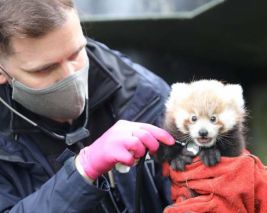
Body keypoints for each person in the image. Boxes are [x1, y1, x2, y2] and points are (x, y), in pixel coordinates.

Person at [0, 0, 175, 212]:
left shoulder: (143, 94)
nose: (70, 76)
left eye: (76, 53)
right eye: (45, 69)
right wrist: (82, 172)